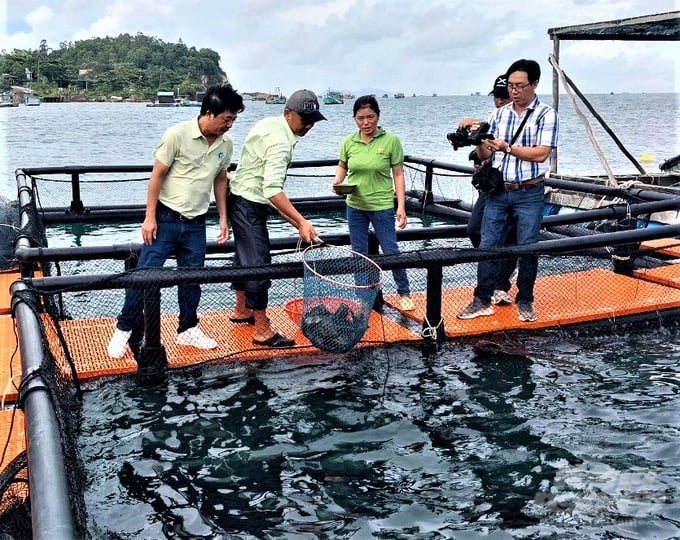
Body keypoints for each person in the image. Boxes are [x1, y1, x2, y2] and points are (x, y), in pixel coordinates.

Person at [107, 84, 245, 358]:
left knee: (192, 277)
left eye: (233, 120)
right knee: (145, 275)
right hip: (166, 217)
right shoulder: (177, 135)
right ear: (208, 113)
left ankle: (188, 329)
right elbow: (156, 176)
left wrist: (222, 217)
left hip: (196, 221)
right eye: (226, 119)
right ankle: (123, 330)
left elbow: (220, 178)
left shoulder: (225, 145)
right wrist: (149, 218)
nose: (229, 125)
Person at [457, 59, 559, 322]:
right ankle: (481, 299)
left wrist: (507, 148)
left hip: (530, 192)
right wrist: (478, 142)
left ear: (534, 84)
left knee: (527, 248)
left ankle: (525, 300)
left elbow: (542, 154)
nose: (513, 91)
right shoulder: (498, 115)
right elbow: (485, 155)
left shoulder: (546, 115)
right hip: (499, 192)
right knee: (488, 245)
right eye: (511, 85)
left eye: (519, 86)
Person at [228, 89, 325, 348]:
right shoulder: (281, 142)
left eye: (312, 120)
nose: (308, 125)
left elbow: (264, 184)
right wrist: (302, 221)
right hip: (249, 203)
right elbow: (272, 189)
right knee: (259, 263)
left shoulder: (269, 125)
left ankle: (242, 311)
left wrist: (298, 224)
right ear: (287, 113)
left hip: (239, 197)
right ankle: (262, 330)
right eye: (304, 119)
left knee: (244, 257)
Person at [332, 95, 414, 311]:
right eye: (360, 118)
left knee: (391, 250)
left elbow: (398, 175)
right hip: (355, 205)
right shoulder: (349, 141)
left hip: (382, 205)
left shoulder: (390, 141)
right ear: (354, 119)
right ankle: (362, 297)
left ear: (378, 117)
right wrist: (337, 181)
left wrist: (401, 206)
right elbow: (342, 165)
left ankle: (404, 292)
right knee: (359, 252)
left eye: (370, 117)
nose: (366, 122)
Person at [461, 74, 516, 306]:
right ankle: (499, 275)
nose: (501, 101)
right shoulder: (493, 120)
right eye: (497, 97)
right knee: (475, 230)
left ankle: (501, 284)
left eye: (505, 97)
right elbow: (481, 147)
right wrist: (474, 146)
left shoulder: (524, 121)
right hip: (491, 186)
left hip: (516, 187)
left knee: (511, 235)